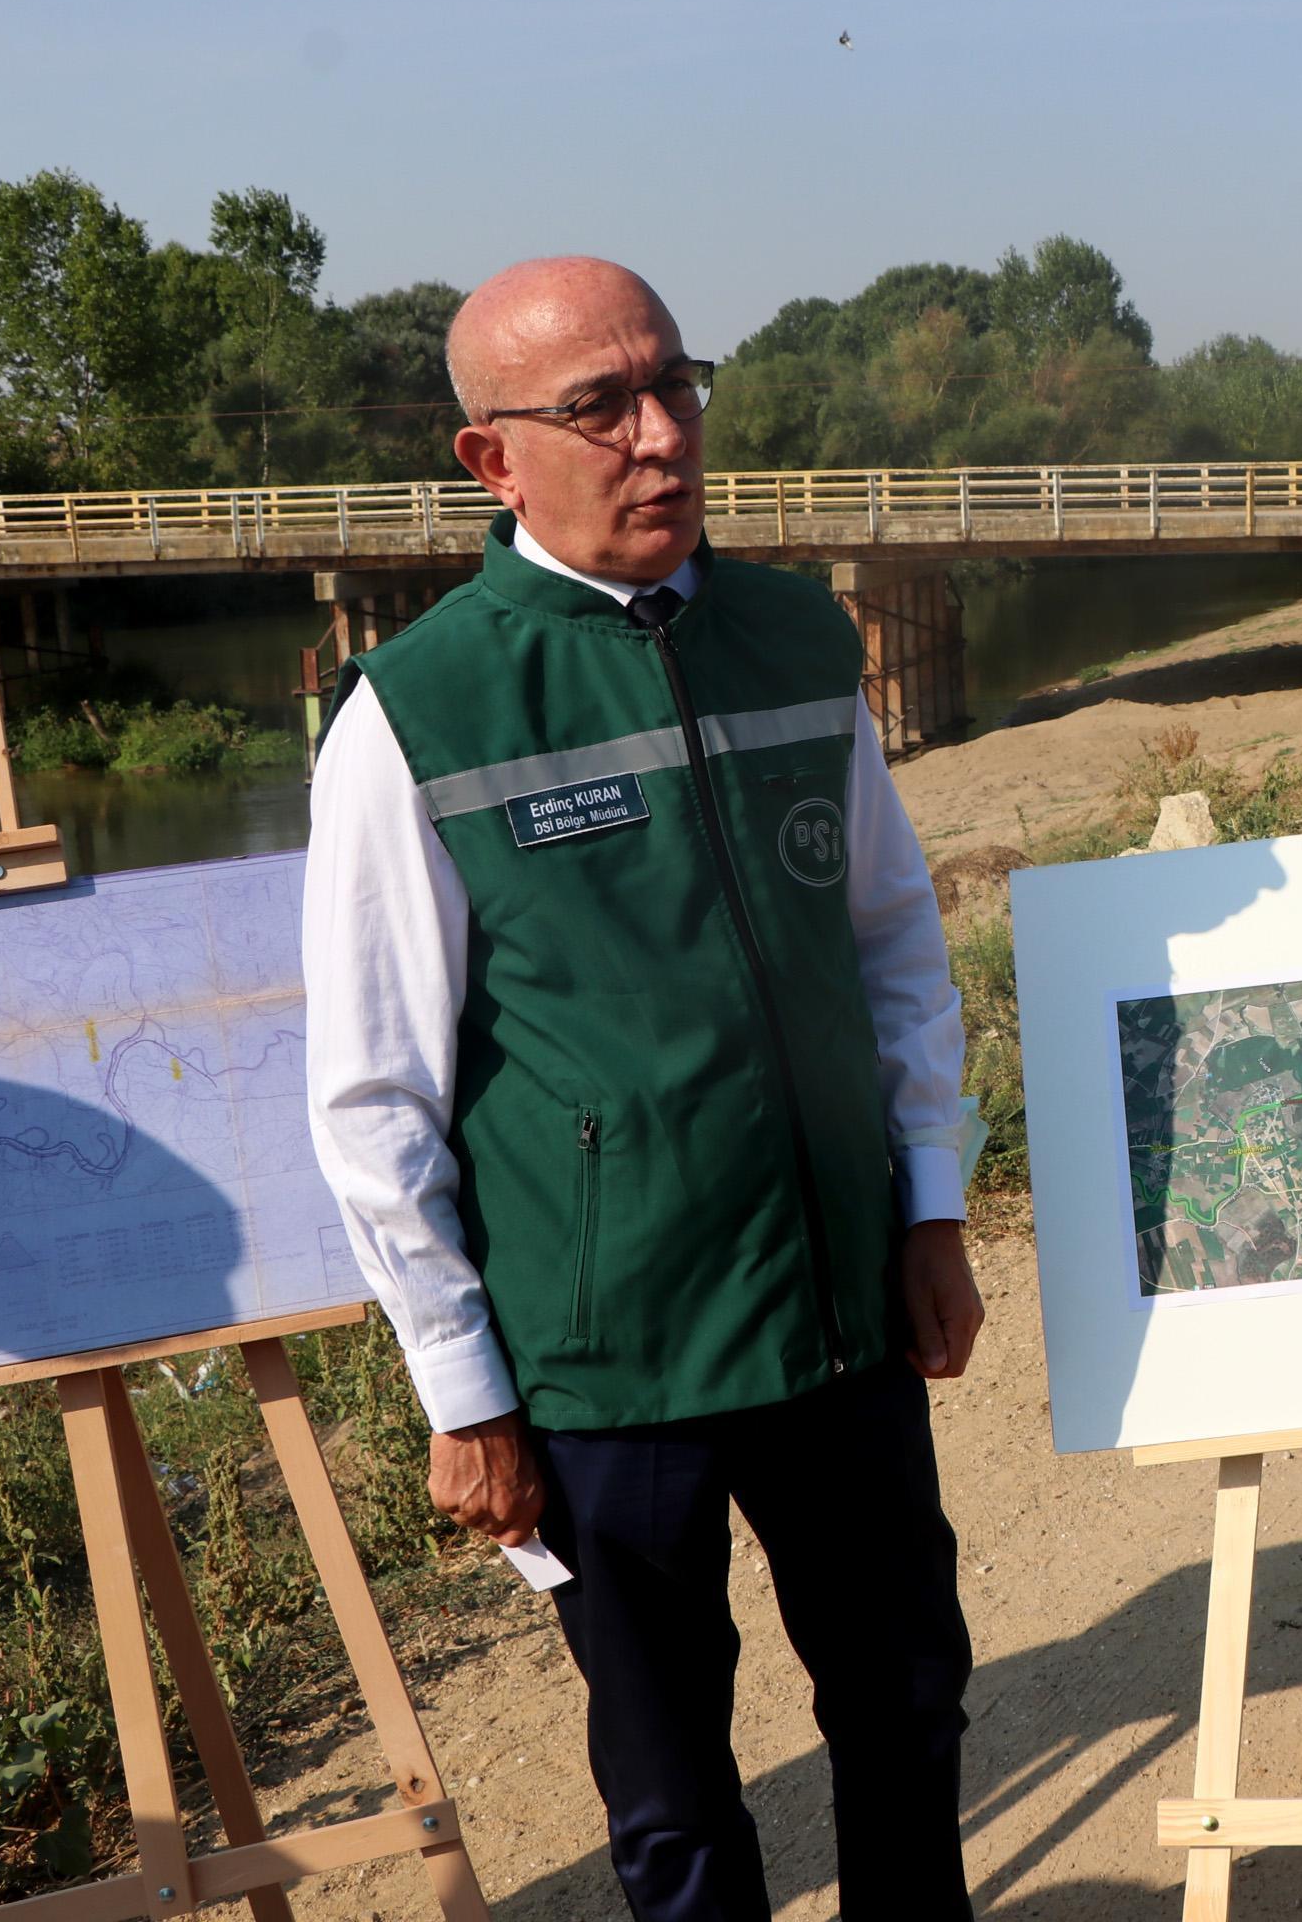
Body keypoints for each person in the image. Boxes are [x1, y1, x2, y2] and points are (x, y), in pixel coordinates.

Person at [302, 256, 986, 1921]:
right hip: (611, 1360)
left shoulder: (794, 636)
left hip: (837, 1313)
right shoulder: (420, 712)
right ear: (492, 458)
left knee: (905, 1693)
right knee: (673, 1781)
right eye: (599, 405)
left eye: (674, 384)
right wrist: (463, 1389)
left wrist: (934, 1200)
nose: (660, 434)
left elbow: (892, 938)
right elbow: (372, 1089)